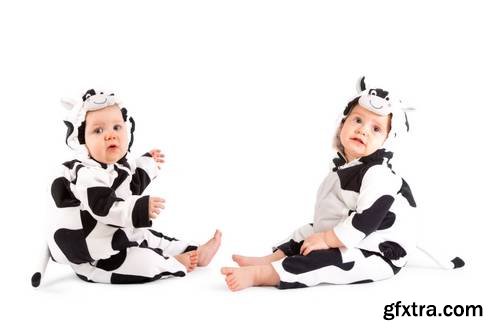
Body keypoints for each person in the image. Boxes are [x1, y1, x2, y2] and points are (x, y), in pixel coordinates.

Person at [222, 77, 424, 291]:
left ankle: (263, 274)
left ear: (387, 140)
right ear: (342, 123)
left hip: (378, 253)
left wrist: (329, 239)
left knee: (331, 261)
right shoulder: (346, 166)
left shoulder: (379, 175)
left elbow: (367, 221)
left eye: (376, 129)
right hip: (351, 236)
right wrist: (324, 234)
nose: (363, 130)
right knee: (306, 232)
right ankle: (272, 259)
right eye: (357, 120)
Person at [36, 89, 221, 286]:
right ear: (82, 141)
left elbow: (131, 183)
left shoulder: (115, 167)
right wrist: (140, 208)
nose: (110, 135)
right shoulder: (86, 175)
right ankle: (172, 263)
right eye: (98, 130)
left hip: (115, 234)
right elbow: (104, 207)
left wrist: (148, 164)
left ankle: (194, 250)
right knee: (141, 262)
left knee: (148, 236)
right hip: (94, 255)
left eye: (117, 127)